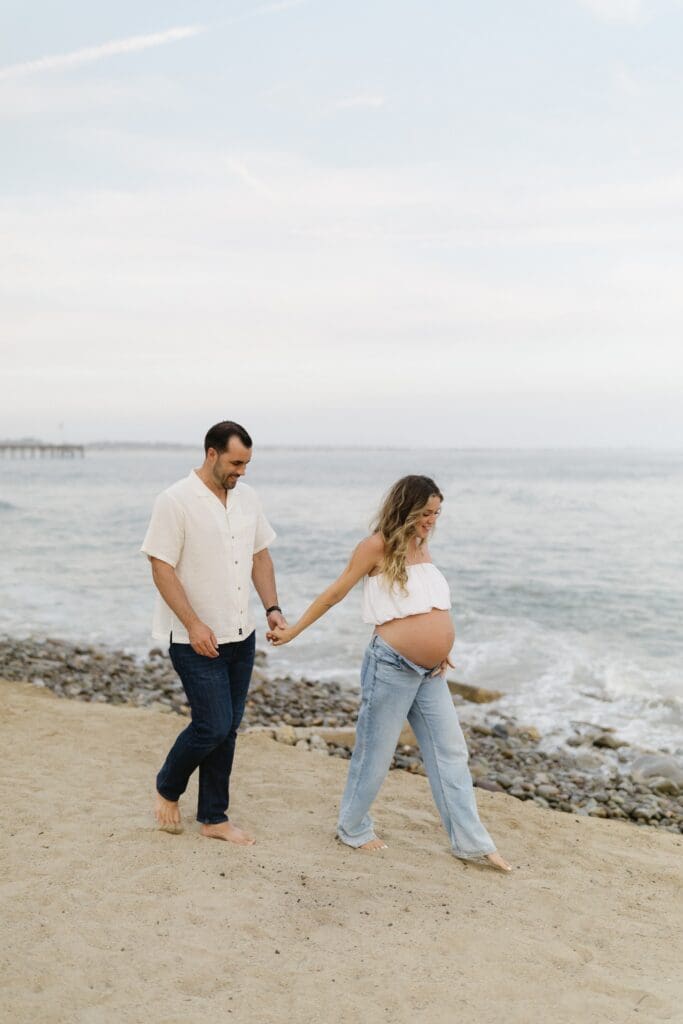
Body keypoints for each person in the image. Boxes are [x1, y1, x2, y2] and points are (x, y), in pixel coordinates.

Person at [269, 475, 511, 871]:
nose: (432, 521)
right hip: (392, 665)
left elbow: (424, 604)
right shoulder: (375, 546)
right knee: (375, 753)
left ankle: (470, 842)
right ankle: (352, 827)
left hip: (430, 672)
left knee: (450, 751)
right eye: (426, 513)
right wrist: (293, 631)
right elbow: (335, 592)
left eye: (437, 514)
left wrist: (440, 649)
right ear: (407, 508)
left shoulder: (421, 545)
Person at [141, 420, 286, 845]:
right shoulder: (175, 501)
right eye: (236, 462)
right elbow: (160, 567)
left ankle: (213, 818)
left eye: (247, 464)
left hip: (242, 635)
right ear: (211, 454)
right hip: (194, 638)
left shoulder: (248, 499)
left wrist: (273, 608)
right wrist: (192, 622)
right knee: (212, 725)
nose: (242, 472)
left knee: (229, 727)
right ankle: (168, 787)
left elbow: (260, 556)